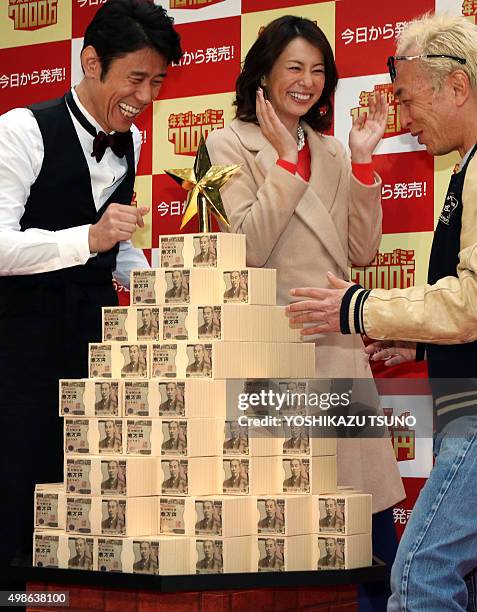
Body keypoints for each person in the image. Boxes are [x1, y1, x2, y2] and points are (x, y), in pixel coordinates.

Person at [206, 15, 404, 607]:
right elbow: (245, 247)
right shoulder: (225, 143)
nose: (307, 81)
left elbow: (361, 252)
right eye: (294, 67)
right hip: (275, 356)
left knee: (365, 539)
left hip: (338, 351)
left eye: (318, 71)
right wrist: (286, 164)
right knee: (289, 535)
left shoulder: (331, 148)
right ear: (263, 72)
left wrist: (363, 162)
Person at [286, 13, 477, 611]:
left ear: (457, 88)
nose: (403, 115)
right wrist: (421, 342)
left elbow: (470, 302)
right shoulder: (466, 165)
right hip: (464, 405)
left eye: (408, 97)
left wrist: (359, 306)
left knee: (418, 578)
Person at [0, 0, 181, 581]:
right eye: (135, 79)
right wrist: (89, 239)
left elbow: (118, 246)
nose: (146, 97)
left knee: (77, 514)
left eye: (157, 81)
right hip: (20, 358)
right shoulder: (21, 129)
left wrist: (170, 287)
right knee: (15, 511)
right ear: (90, 61)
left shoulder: (128, 143)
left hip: (94, 359)